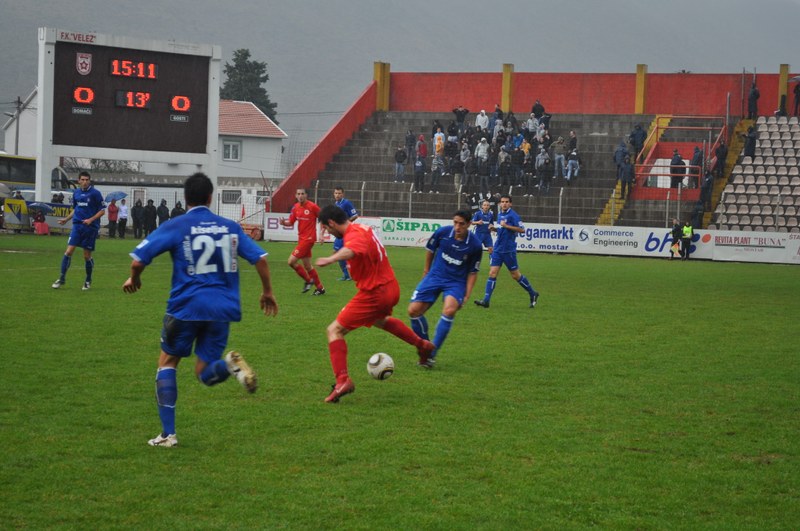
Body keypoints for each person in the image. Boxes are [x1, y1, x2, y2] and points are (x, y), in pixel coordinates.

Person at [123, 172, 278, 447]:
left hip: (185, 308)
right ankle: (229, 365)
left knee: (167, 363)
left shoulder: (177, 225)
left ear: (185, 198)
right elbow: (261, 258)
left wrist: (135, 279)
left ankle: (168, 435)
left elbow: (137, 261)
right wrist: (267, 291)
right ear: (210, 197)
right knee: (204, 373)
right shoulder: (229, 227)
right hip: (222, 311)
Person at [315, 205, 435, 403]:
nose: (328, 233)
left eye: (327, 229)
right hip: (390, 287)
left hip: (375, 292)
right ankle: (422, 345)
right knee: (380, 320)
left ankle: (342, 381)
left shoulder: (353, 234)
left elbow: (351, 250)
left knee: (334, 330)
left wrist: (331, 258)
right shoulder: (363, 228)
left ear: (332, 223)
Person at [408, 211, 483, 367]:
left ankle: (431, 354)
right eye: (455, 222)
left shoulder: (475, 245)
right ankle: (425, 347)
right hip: (435, 276)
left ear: (469, 224)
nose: (457, 227)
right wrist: (426, 272)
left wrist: (467, 295)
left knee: (449, 310)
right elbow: (430, 249)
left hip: (456, 282)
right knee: (413, 311)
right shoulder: (442, 233)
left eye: (461, 223)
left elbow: (473, 272)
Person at [474, 195, 539, 309]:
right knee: (492, 273)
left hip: (508, 250)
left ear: (510, 204)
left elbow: (522, 230)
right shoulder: (499, 214)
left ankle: (532, 293)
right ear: (500, 203)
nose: (504, 204)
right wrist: (494, 228)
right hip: (498, 249)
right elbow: (501, 229)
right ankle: (486, 300)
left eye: (506, 202)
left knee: (515, 275)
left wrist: (507, 226)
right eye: (502, 202)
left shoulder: (513, 215)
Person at [51, 171, 105, 291]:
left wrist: (91, 220)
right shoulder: (76, 193)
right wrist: (66, 219)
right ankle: (61, 278)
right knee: (69, 251)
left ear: (89, 181)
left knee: (86, 256)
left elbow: (102, 211)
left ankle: (88, 280)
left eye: (87, 180)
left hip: (90, 228)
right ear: (79, 181)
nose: (85, 182)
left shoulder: (95, 194)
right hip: (77, 226)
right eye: (83, 180)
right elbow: (76, 209)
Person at [279, 188, 325, 295]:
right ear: (296, 195)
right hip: (301, 239)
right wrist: (283, 223)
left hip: (309, 239)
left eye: (302, 194)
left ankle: (309, 281)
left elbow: (323, 217)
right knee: (308, 266)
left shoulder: (312, 206)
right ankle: (320, 288)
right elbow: (291, 222)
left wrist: (322, 234)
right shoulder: (295, 207)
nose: (300, 196)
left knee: (291, 261)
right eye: (298, 194)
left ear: (306, 195)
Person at [333, 187, 359, 281]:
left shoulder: (346, 203)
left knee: (341, 252)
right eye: (336, 193)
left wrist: (345, 223)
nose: (337, 195)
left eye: (339, 193)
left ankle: (351, 273)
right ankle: (346, 275)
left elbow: (355, 215)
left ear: (343, 194)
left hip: (346, 232)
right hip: (340, 232)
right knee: (338, 252)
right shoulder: (336, 204)